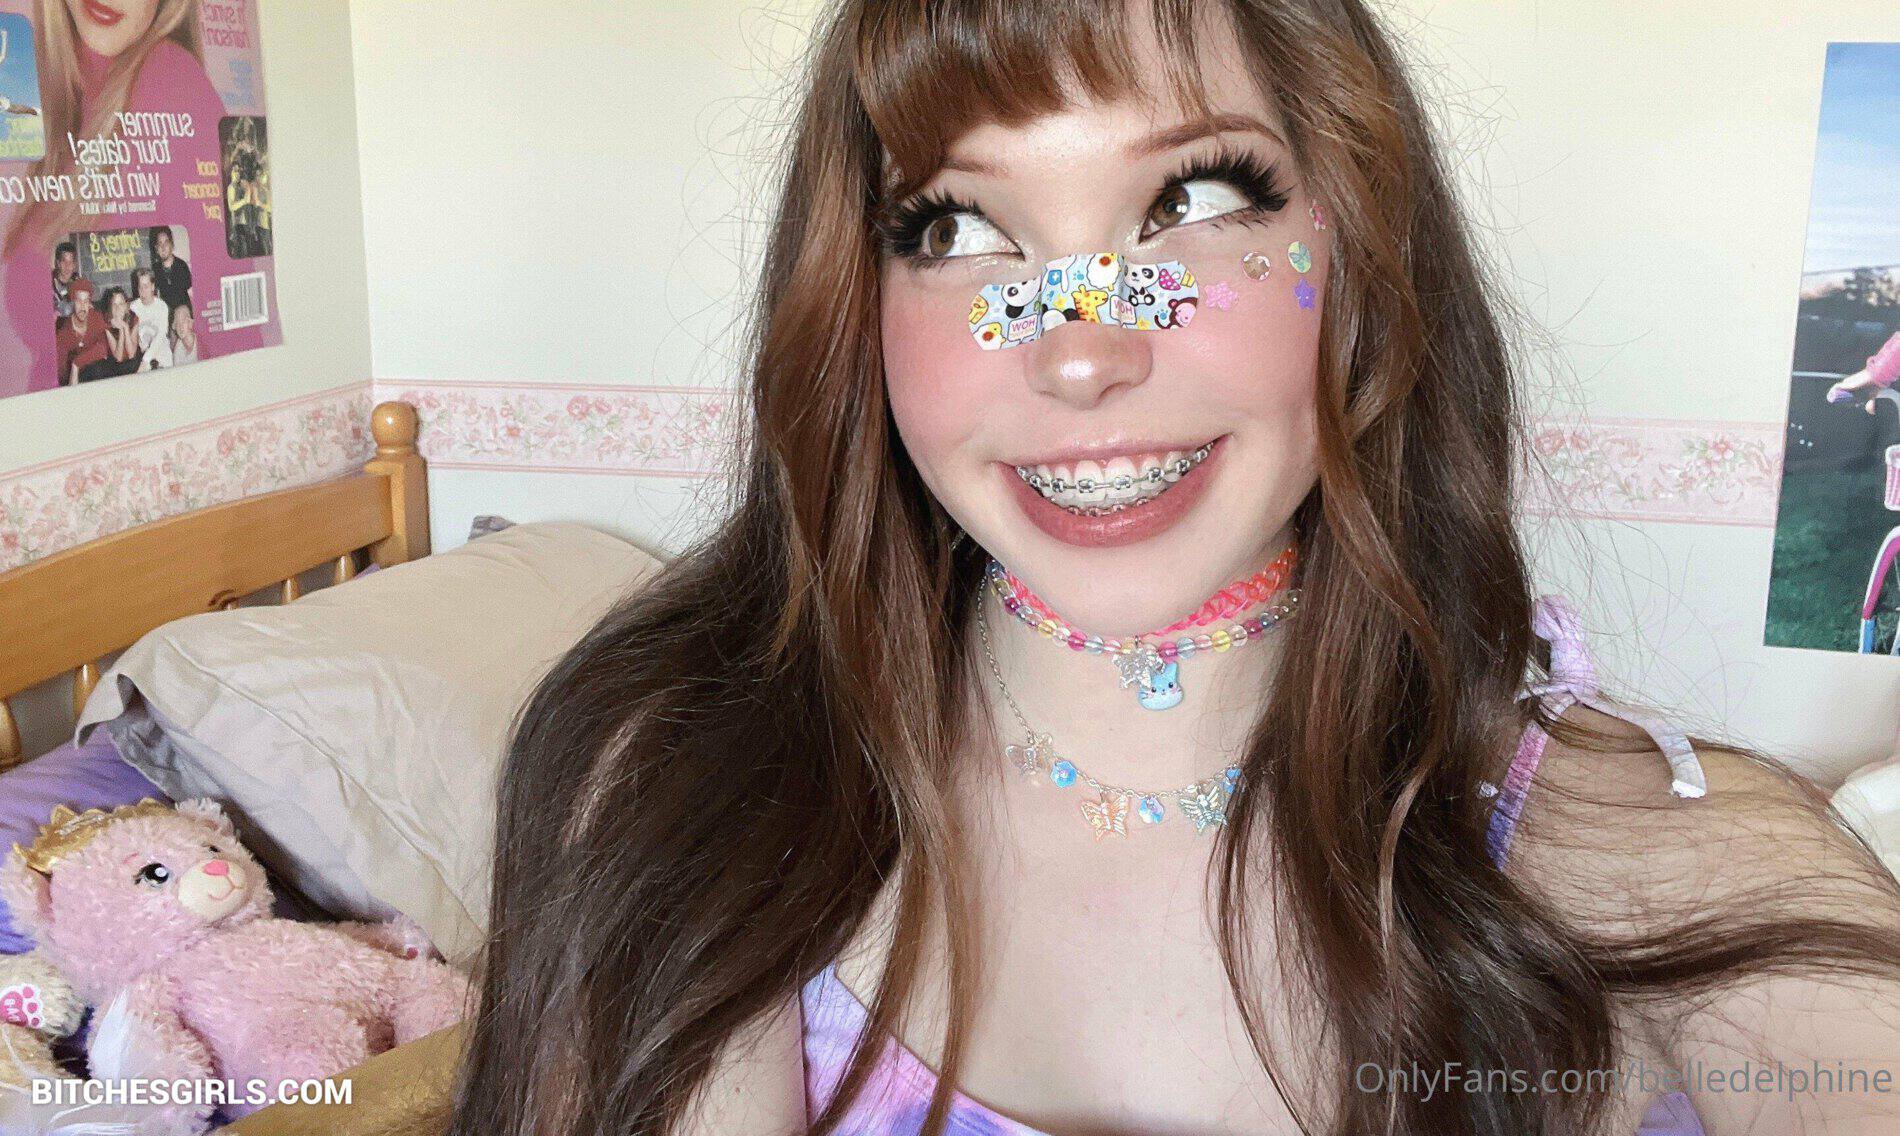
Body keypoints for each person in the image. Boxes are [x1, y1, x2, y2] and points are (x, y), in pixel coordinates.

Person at [452, 4, 1900, 1136]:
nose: (1080, 353)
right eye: (956, 228)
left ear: (1363, 244)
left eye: (1195, 199)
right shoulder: (681, 778)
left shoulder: (1667, 861)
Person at [53, 275, 104, 385]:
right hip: (75, 380)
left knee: (97, 368)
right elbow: (61, 372)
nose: (82, 306)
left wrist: (76, 363)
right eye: (79, 301)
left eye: (86, 301)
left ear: (90, 303)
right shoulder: (64, 332)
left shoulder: (96, 318)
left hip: (96, 376)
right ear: (72, 302)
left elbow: (103, 349)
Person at [149, 224, 192, 312]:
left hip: (184, 312)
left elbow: (190, 290)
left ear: (171, 245)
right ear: (156, 248)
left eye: (166, 242)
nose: (163, 247)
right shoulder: (155, 269)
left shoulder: (182, 265)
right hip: (166, 313)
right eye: (160, 243)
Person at [128, 266, 167, 359]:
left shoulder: (161, 307)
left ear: (152, 287)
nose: (142, 291)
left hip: (161, 351)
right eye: (140, 287)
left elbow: (160, 337)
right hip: (142, 353)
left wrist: (145, 360)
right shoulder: (133, 307)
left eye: (145, 286)